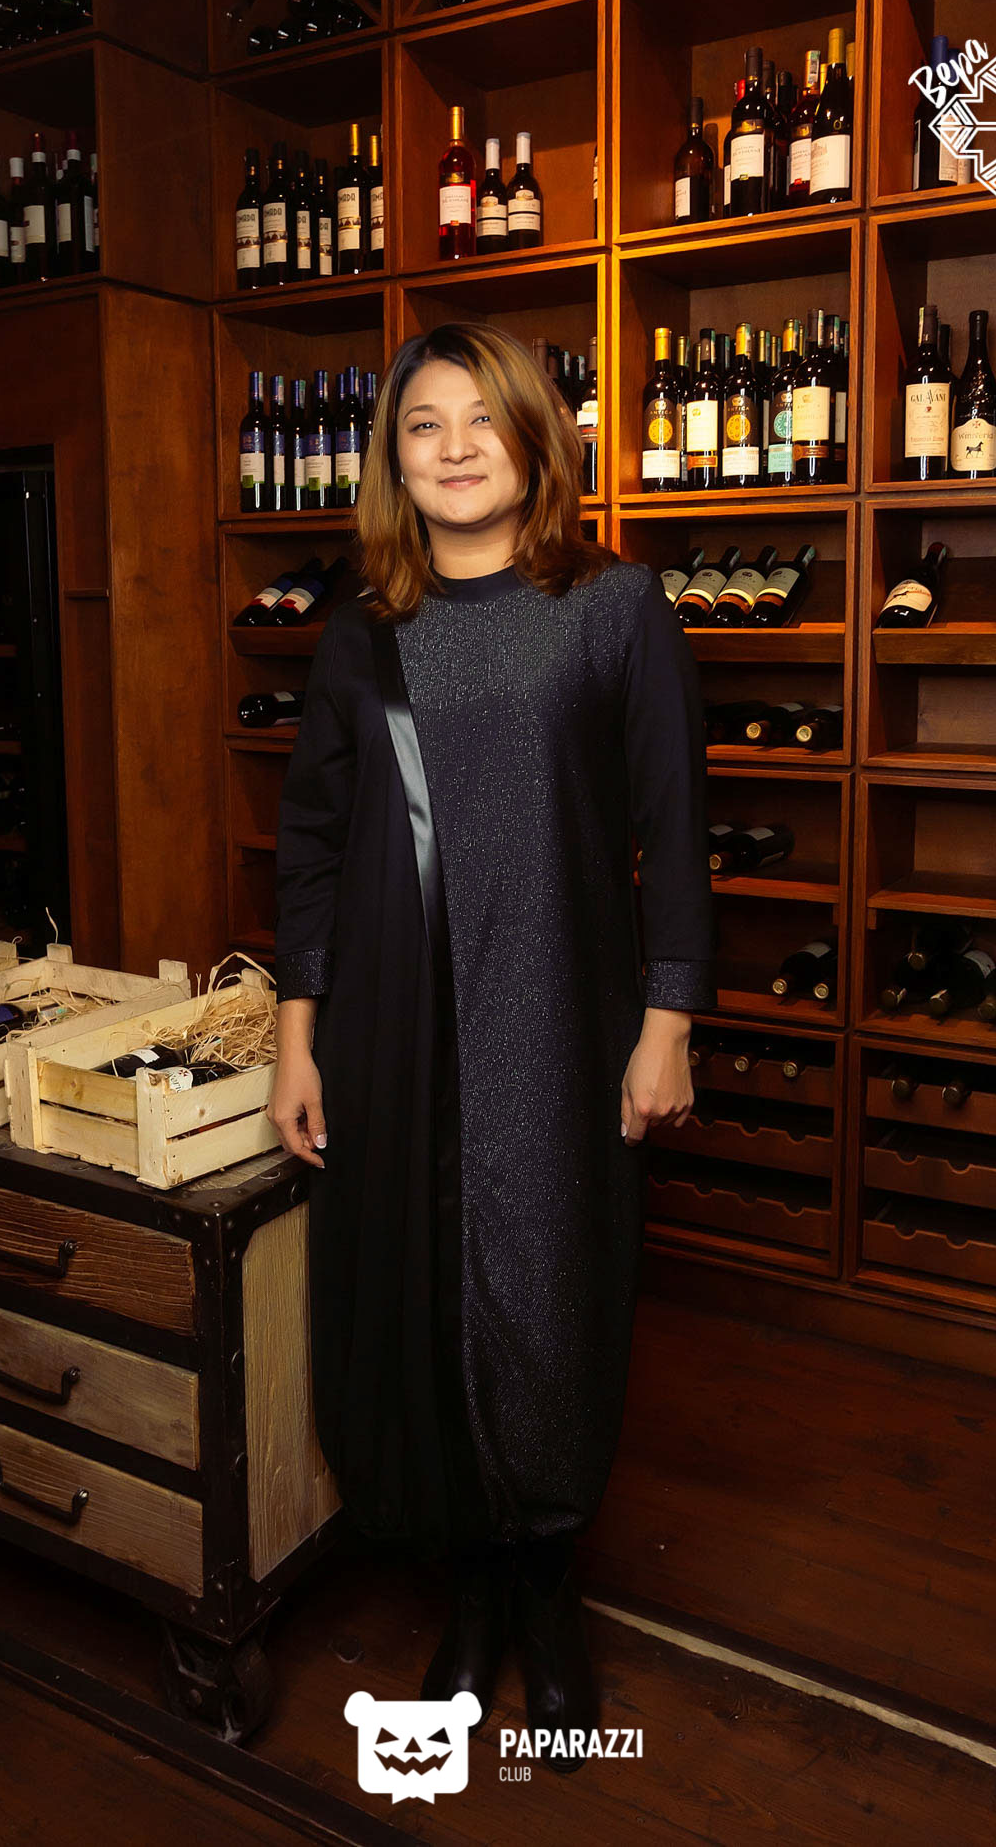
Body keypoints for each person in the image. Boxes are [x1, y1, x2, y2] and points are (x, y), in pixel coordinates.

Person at [267, 321, 714, 1772]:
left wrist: (666, 1023)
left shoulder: (614, 608)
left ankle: (548, 1589)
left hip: (562, 1017)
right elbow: (312, 846)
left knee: (557, 1296)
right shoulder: (362, 630)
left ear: (535, 439)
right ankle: (470, 1592)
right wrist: (296, 1037)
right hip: (395, 1030)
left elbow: (676, 832)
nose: (455, 447)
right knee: (422, 1296)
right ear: (393, 461)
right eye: (423, 425)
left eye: (482, 418)